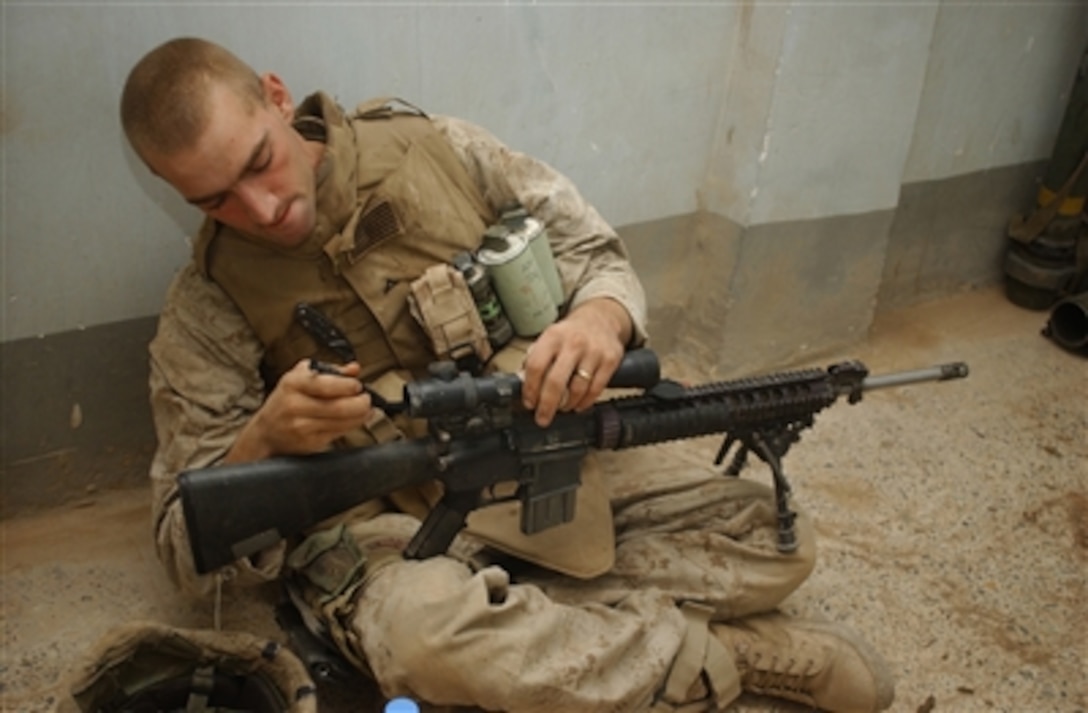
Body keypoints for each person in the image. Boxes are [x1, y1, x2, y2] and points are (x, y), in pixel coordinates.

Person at [120, 37, 895, 713]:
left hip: (548, 461)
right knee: (425, 641)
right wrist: (262, 438)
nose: (262, 208)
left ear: (279, 99)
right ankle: (723, 657)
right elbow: (181, 538)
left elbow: (594, 256)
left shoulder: (442, 150)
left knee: (780, 539)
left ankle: (543, 632)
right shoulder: (207, 303)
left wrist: (597, 321)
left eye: (260, 160)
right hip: (393, 535)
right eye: (215, 199)